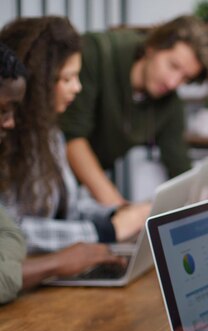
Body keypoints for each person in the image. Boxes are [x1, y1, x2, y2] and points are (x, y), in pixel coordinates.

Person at [0, 16, 150, 254]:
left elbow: (71, 205)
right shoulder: (5, 138)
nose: (77, 88)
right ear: (39, 81)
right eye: (67, 78)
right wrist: (104, 232)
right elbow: (10, 231)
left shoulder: (48, 133)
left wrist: (117, 214)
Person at [0, 43, 124, 304]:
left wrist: (112, 216)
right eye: (3, 110)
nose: (10, 122)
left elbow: (10, 234)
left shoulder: (52, 135)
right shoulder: (13, 148)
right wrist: (57, 262)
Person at [58, 15, 208, 205]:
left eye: (185, 78)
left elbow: (179, 167)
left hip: (75, 192)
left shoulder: (170, 102)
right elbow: (71, 138)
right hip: (44, 180)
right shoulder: (97, 53)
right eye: (173, 66)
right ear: (152, 47)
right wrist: (120, 208)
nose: (173, 82)